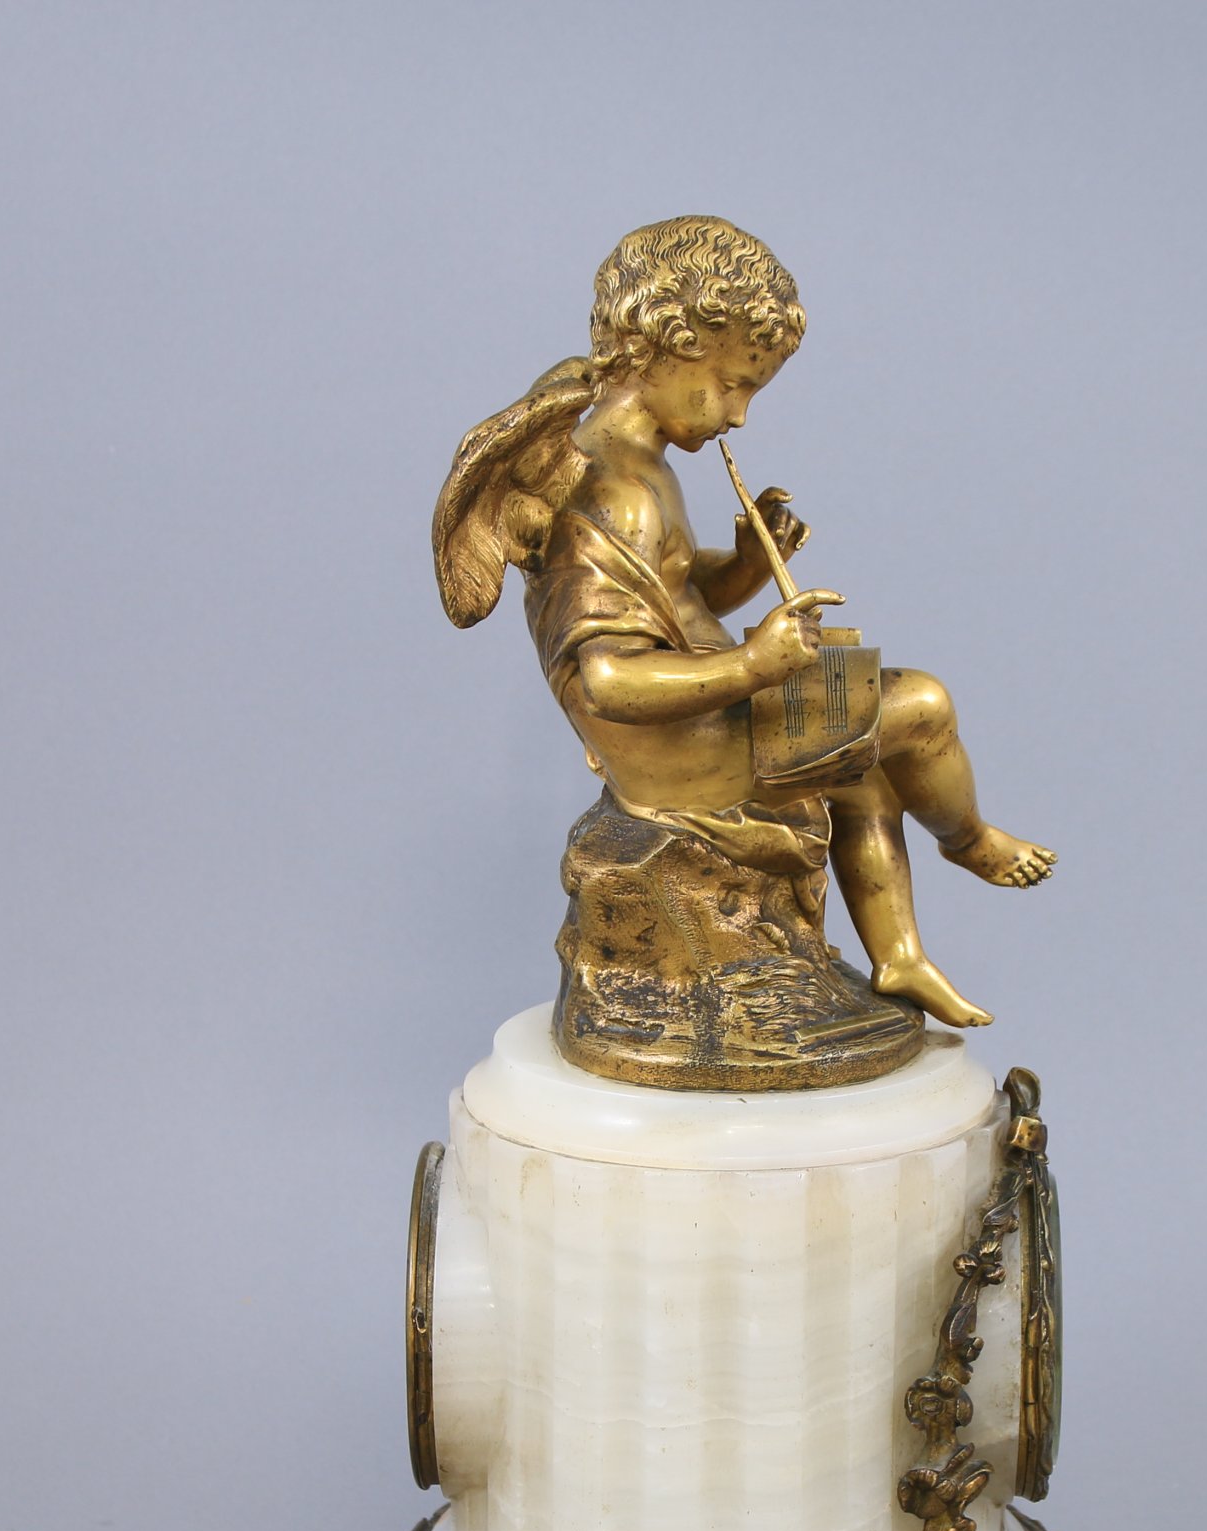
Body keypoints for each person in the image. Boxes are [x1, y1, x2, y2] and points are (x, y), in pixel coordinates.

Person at [437, 216, 1050, 1028]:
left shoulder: (630, 461)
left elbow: (675, 605)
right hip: (678, 753)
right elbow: (608, 677)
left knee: (860, 763)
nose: (740, 414)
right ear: (669, 347)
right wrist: (755, 665)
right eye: (733, 384)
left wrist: (749, 568)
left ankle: (899, 959)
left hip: (700, 720)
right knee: (923, 707)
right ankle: (967, 840)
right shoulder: (618, 494)